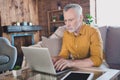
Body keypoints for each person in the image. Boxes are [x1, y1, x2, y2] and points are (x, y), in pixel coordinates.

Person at [52, 3, 103, 71]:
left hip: (96, 67)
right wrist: (54, 59)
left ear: (80, 18)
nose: (67, 25)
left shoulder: (93, 32)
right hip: (76, 67)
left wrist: (71, 63)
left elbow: (97, 60)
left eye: (70, 20)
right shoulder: (66, 34)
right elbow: (64, 55)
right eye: (65, 20)